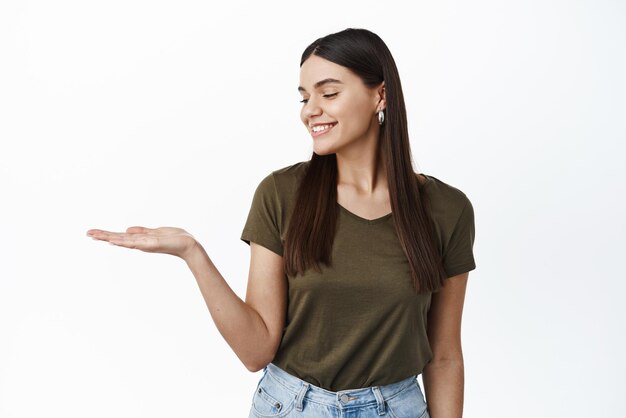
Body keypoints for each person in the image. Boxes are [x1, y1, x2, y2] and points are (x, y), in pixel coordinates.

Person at [86, 27, 476, 418]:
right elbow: (256, 352)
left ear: (381, 94)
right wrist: (193, 253)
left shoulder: (447, 209)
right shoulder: (281, 194)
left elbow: (443, 357)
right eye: (305, 97)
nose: (310, 110)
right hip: (293, 407)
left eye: (329, 93)